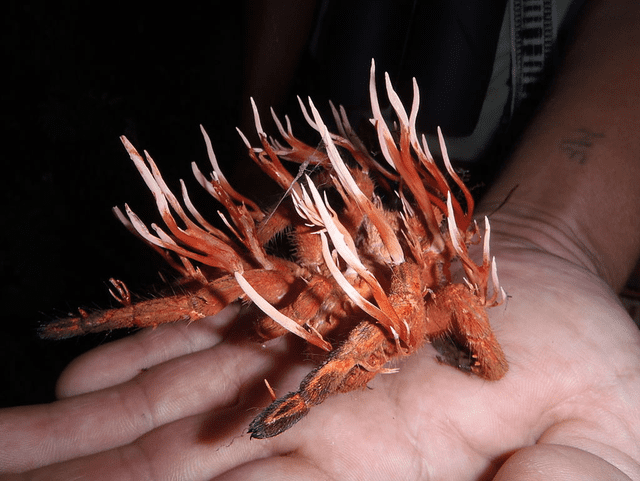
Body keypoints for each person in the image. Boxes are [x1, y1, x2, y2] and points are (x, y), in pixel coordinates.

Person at [1, 0, 639, 479]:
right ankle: (89, 322)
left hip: (480, 146)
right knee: (273, 257)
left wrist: (301, 398)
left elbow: (459, 307)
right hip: (356, 63)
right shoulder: (326, 251)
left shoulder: (422, 290)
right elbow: (277, 251)